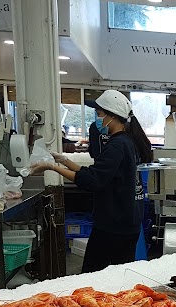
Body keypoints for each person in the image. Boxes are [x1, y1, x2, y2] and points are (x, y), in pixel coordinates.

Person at [32, 90, 153, 273]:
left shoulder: (117, 145)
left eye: (99, 114)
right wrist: (64, 161)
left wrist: (52, 167)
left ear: (112, 116)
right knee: (117, 277)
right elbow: (99, 173)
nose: (98, 119)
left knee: (95, 277)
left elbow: (93, 180)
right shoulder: (127, 142)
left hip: (113, 228)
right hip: (124, 224)